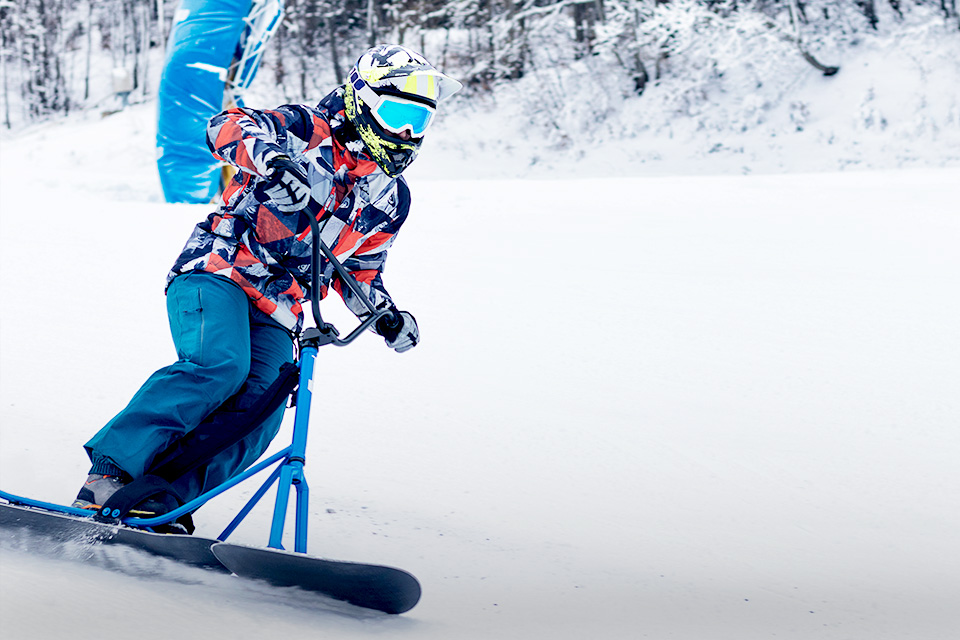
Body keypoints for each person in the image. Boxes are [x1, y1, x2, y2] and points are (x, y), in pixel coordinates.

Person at [72, 44, 461, 523]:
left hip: (280, 308)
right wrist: (273, 162)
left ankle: (163, 500)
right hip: (220, 272)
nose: (404, 133)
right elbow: (225, 126)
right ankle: (110, 474)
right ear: (362, 101)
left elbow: (361, 271)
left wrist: (385, 316)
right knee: (221, 366)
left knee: (263, 410)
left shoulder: (390, 198)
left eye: (417, 122)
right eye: (397, 113)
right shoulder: (306, 129)